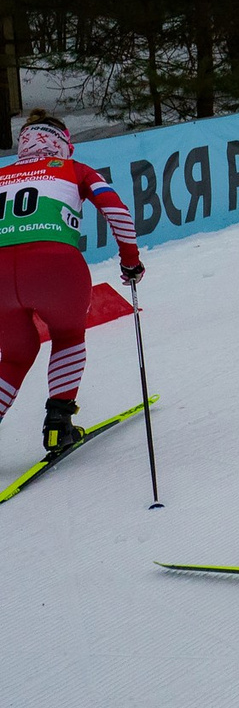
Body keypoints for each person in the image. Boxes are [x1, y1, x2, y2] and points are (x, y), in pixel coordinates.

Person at [0, 110, 144, 457]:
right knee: (67, 335)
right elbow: (118, 211)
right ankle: (58, 427)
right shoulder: (76, 170)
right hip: (57, 267)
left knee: (16, 355)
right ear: (63, 145)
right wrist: (130, 260)